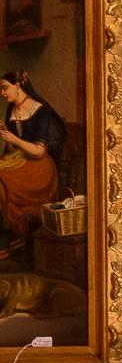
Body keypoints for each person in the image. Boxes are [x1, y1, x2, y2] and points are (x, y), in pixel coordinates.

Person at [0, 70, 65, 247]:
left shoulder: (41, 112)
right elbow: (12, 149)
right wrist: (6, 134)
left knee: (2, 179)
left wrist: (14, 139)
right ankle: (9, 233)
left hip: (40, 167)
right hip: (19, 161)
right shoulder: (11, 109)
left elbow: (39, 151)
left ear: (18, 85)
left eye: (5, 88)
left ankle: (14, 235)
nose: (2, 93)